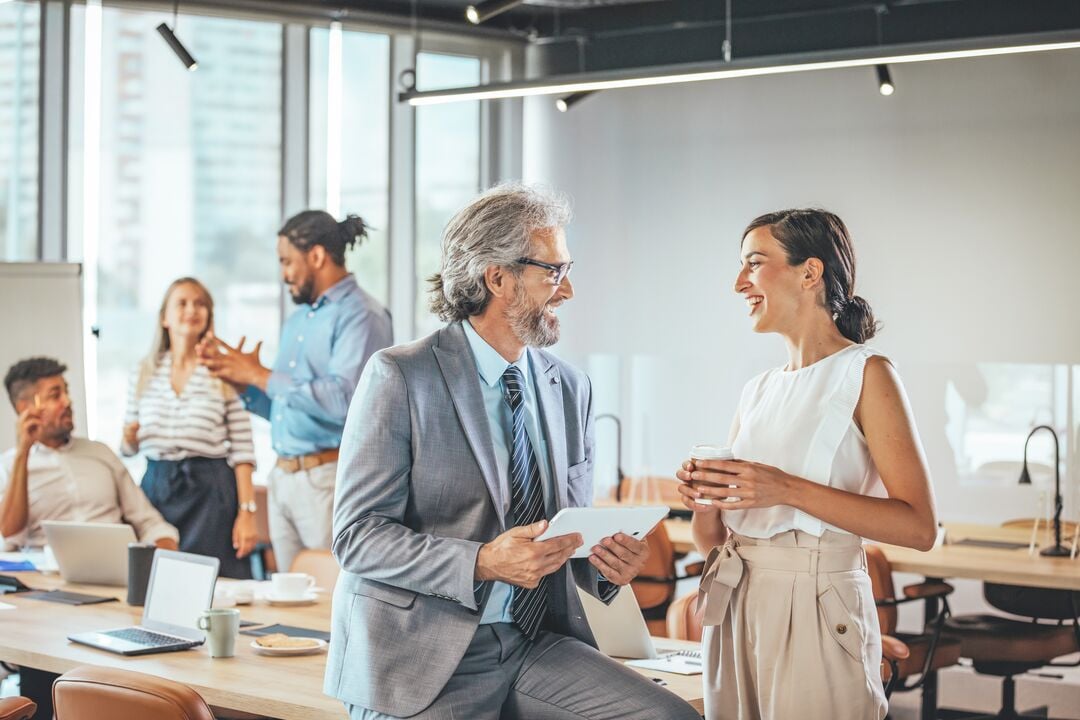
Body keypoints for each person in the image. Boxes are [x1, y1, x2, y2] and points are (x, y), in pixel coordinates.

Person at [324, 184, 700, 720]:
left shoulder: (570, 388)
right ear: (496, 277)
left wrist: (605, 564)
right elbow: (357, 538)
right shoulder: (400, 376)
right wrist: (481, 562)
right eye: (554, 272)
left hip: (533, 642)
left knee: (669, 716)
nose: (566, 291)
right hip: (423, 655)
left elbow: (565, 531)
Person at [676, 209, 938, 720]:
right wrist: (703, 501)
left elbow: (920, 527)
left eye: (753, 264)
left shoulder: (867, 372)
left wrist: (786, 489)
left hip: (819, 606)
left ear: (810, 273)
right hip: (736, 608)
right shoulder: (759, 389)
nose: (738, 283)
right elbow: (714, 545)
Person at [197, 211, 392, 574]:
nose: (284, 274)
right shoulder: (297, 321)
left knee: (329, 598)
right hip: (283, 478)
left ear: (316, 256)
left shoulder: (362, 316)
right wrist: (247, 386)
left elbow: (347, 403)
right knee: (290, 603)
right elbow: (290, 408)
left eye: (287, 261)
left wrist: (260, 373)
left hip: (327, 478)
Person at [121, 277, 257, 578]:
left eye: (200, 304)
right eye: (181, 303)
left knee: (211, 583)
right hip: (157, 488)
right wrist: (128, 438)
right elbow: (128, 448)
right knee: (156, 582)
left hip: (210, 491)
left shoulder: (222, 369)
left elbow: (244, 450)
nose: (191, 310)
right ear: (164, 317)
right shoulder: (143, 371)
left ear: (209, 315)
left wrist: (247, 513)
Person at [0, 357, 178, 551]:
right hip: (45, 576)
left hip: (114, 567)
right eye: (55, 395)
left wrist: (164, 551)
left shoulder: (100, 453)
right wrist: (22, 453)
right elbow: (7, 534)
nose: (67, 401)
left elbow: (150, 524)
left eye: (66, 391)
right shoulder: (9, 467)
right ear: (25, 408)